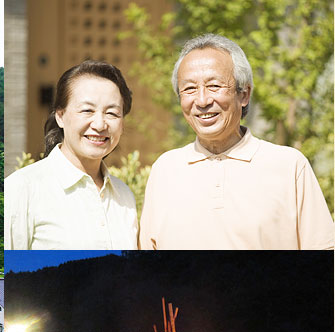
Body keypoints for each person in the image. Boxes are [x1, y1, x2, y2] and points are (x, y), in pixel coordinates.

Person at [139, 34, 334, 250]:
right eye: (189, 89)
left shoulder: (289, 166)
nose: (202, 100)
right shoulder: (165, 169)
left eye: (214, 86)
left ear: (244, 94)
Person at [5, 60, 138, 250]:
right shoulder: (22, 189)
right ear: (60, 116)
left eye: (112, 113)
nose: (100, 124)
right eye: (87, 110)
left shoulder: (124, 196)